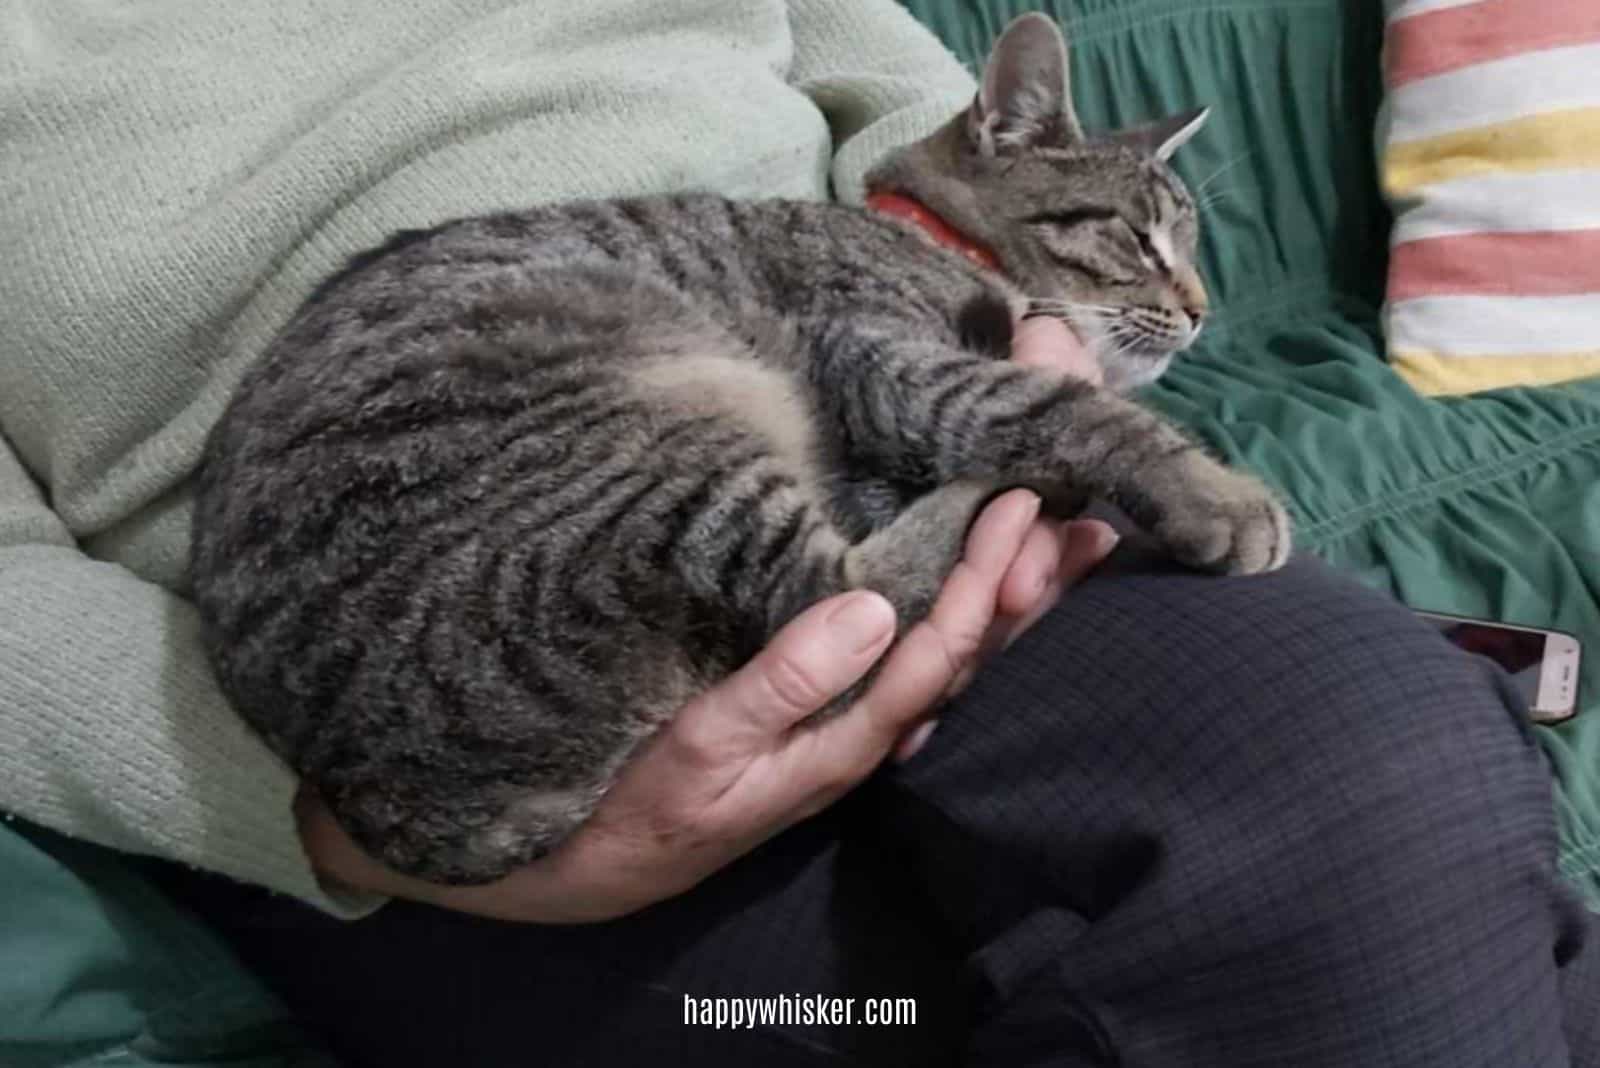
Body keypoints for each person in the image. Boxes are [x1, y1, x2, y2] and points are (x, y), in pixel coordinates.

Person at [2, 1, 1596, 1064]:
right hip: (408, 686)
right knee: (872, 1016)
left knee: (1388, 784)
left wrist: (1022, 322)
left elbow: (933, 111)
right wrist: (332, 830)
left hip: (889, 425)